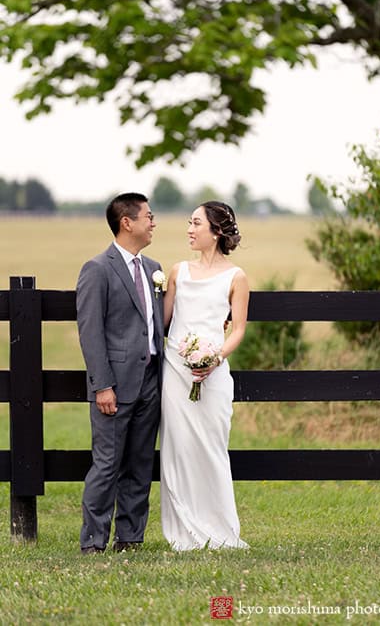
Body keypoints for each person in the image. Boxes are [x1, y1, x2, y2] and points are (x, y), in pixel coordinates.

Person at [76, 192, 164, 554]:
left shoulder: (152, 267)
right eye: (148, 216)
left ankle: (130, 538)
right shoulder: (97, 269)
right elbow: (90, 331)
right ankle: (94, 541)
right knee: (108, 464)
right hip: (114, 385)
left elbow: (156, 322)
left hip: (151, 382)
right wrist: (103, 386)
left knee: (140, 463)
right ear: (127, 222)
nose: (153, 222)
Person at [160, 201, 250, 551]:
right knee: (178, 449)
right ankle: (183, 531)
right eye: (189, 222)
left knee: (212, 447)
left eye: (196, 223)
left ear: (216, 231)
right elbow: (163, 324)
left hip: (213, 376)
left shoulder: (236, 277)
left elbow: (238, 329)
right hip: (175, 372)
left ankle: (220, 529)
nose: (189, 229)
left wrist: (214, 358)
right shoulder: (177, 271)